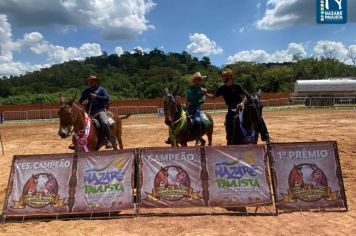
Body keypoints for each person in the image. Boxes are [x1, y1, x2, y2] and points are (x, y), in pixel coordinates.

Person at [207, 69, 249, 145]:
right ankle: (229, 142)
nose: (222, 78)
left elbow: (245, 97)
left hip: (240, 109)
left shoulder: (237, 86)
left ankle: (247, 140)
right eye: (222, 76)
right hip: (230, 110)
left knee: (244, 124)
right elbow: (212, 97)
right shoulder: (222, 88)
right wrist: (205, 93)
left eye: (224, 76)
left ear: (229, 77)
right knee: (228, 124)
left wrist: (242, 103)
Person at [79, 74, 113, 149]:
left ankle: (108, 140)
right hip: (88, 112)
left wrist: (96, 97)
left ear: (96, 82)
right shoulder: (86, 91)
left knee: (104, 122)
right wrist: (84, 101)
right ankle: (78, 142)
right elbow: (80, 100)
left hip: (99, 111)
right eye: (88, 81)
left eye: (91, 81)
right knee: (79, 123)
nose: (90, 83)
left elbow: (107, 98)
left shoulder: (101, 89)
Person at [186, 72, 209, 146]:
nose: (199, 81)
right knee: (177, 119)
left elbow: (202, 100)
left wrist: (202, 94)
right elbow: (191, 98)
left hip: (196, 108)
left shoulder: (202, 89)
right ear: (194, 80)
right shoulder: (189, 89)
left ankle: (198, 138)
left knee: (197, 120)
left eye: (200, 80)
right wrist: (200, 93)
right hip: (188, 107)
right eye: (198, 80)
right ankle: (172, 137)